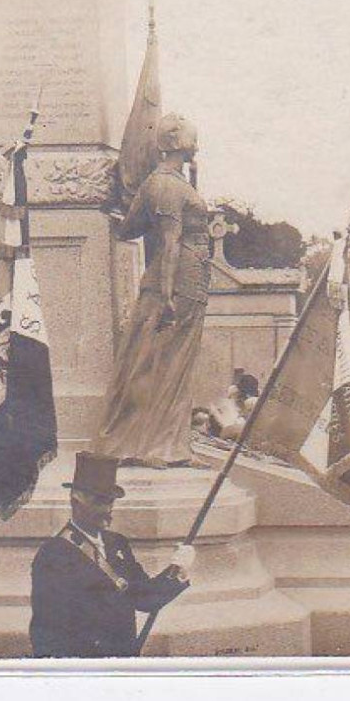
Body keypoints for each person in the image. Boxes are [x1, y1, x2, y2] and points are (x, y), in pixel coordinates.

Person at [90, 114, 212, 469]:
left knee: (171, 360)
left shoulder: (166, 183)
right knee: (163, 360)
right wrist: (168, 293)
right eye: (191, 133)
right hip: (177, 278)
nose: (196, 137)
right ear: (174, 140)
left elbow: (128, 228)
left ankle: (171, 444)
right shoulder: (164, 185)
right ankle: (157, 445)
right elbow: (170, 241)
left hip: (188, 275)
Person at [29, 452, 195, 658]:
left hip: (122, 662)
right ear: (76, 500)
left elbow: (144, 598)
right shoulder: (53, 555)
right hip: (83, 668)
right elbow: (47, 632)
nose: (108, 509)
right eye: (100, 502)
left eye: (111, 502)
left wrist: (178, 571)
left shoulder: (117, 543)